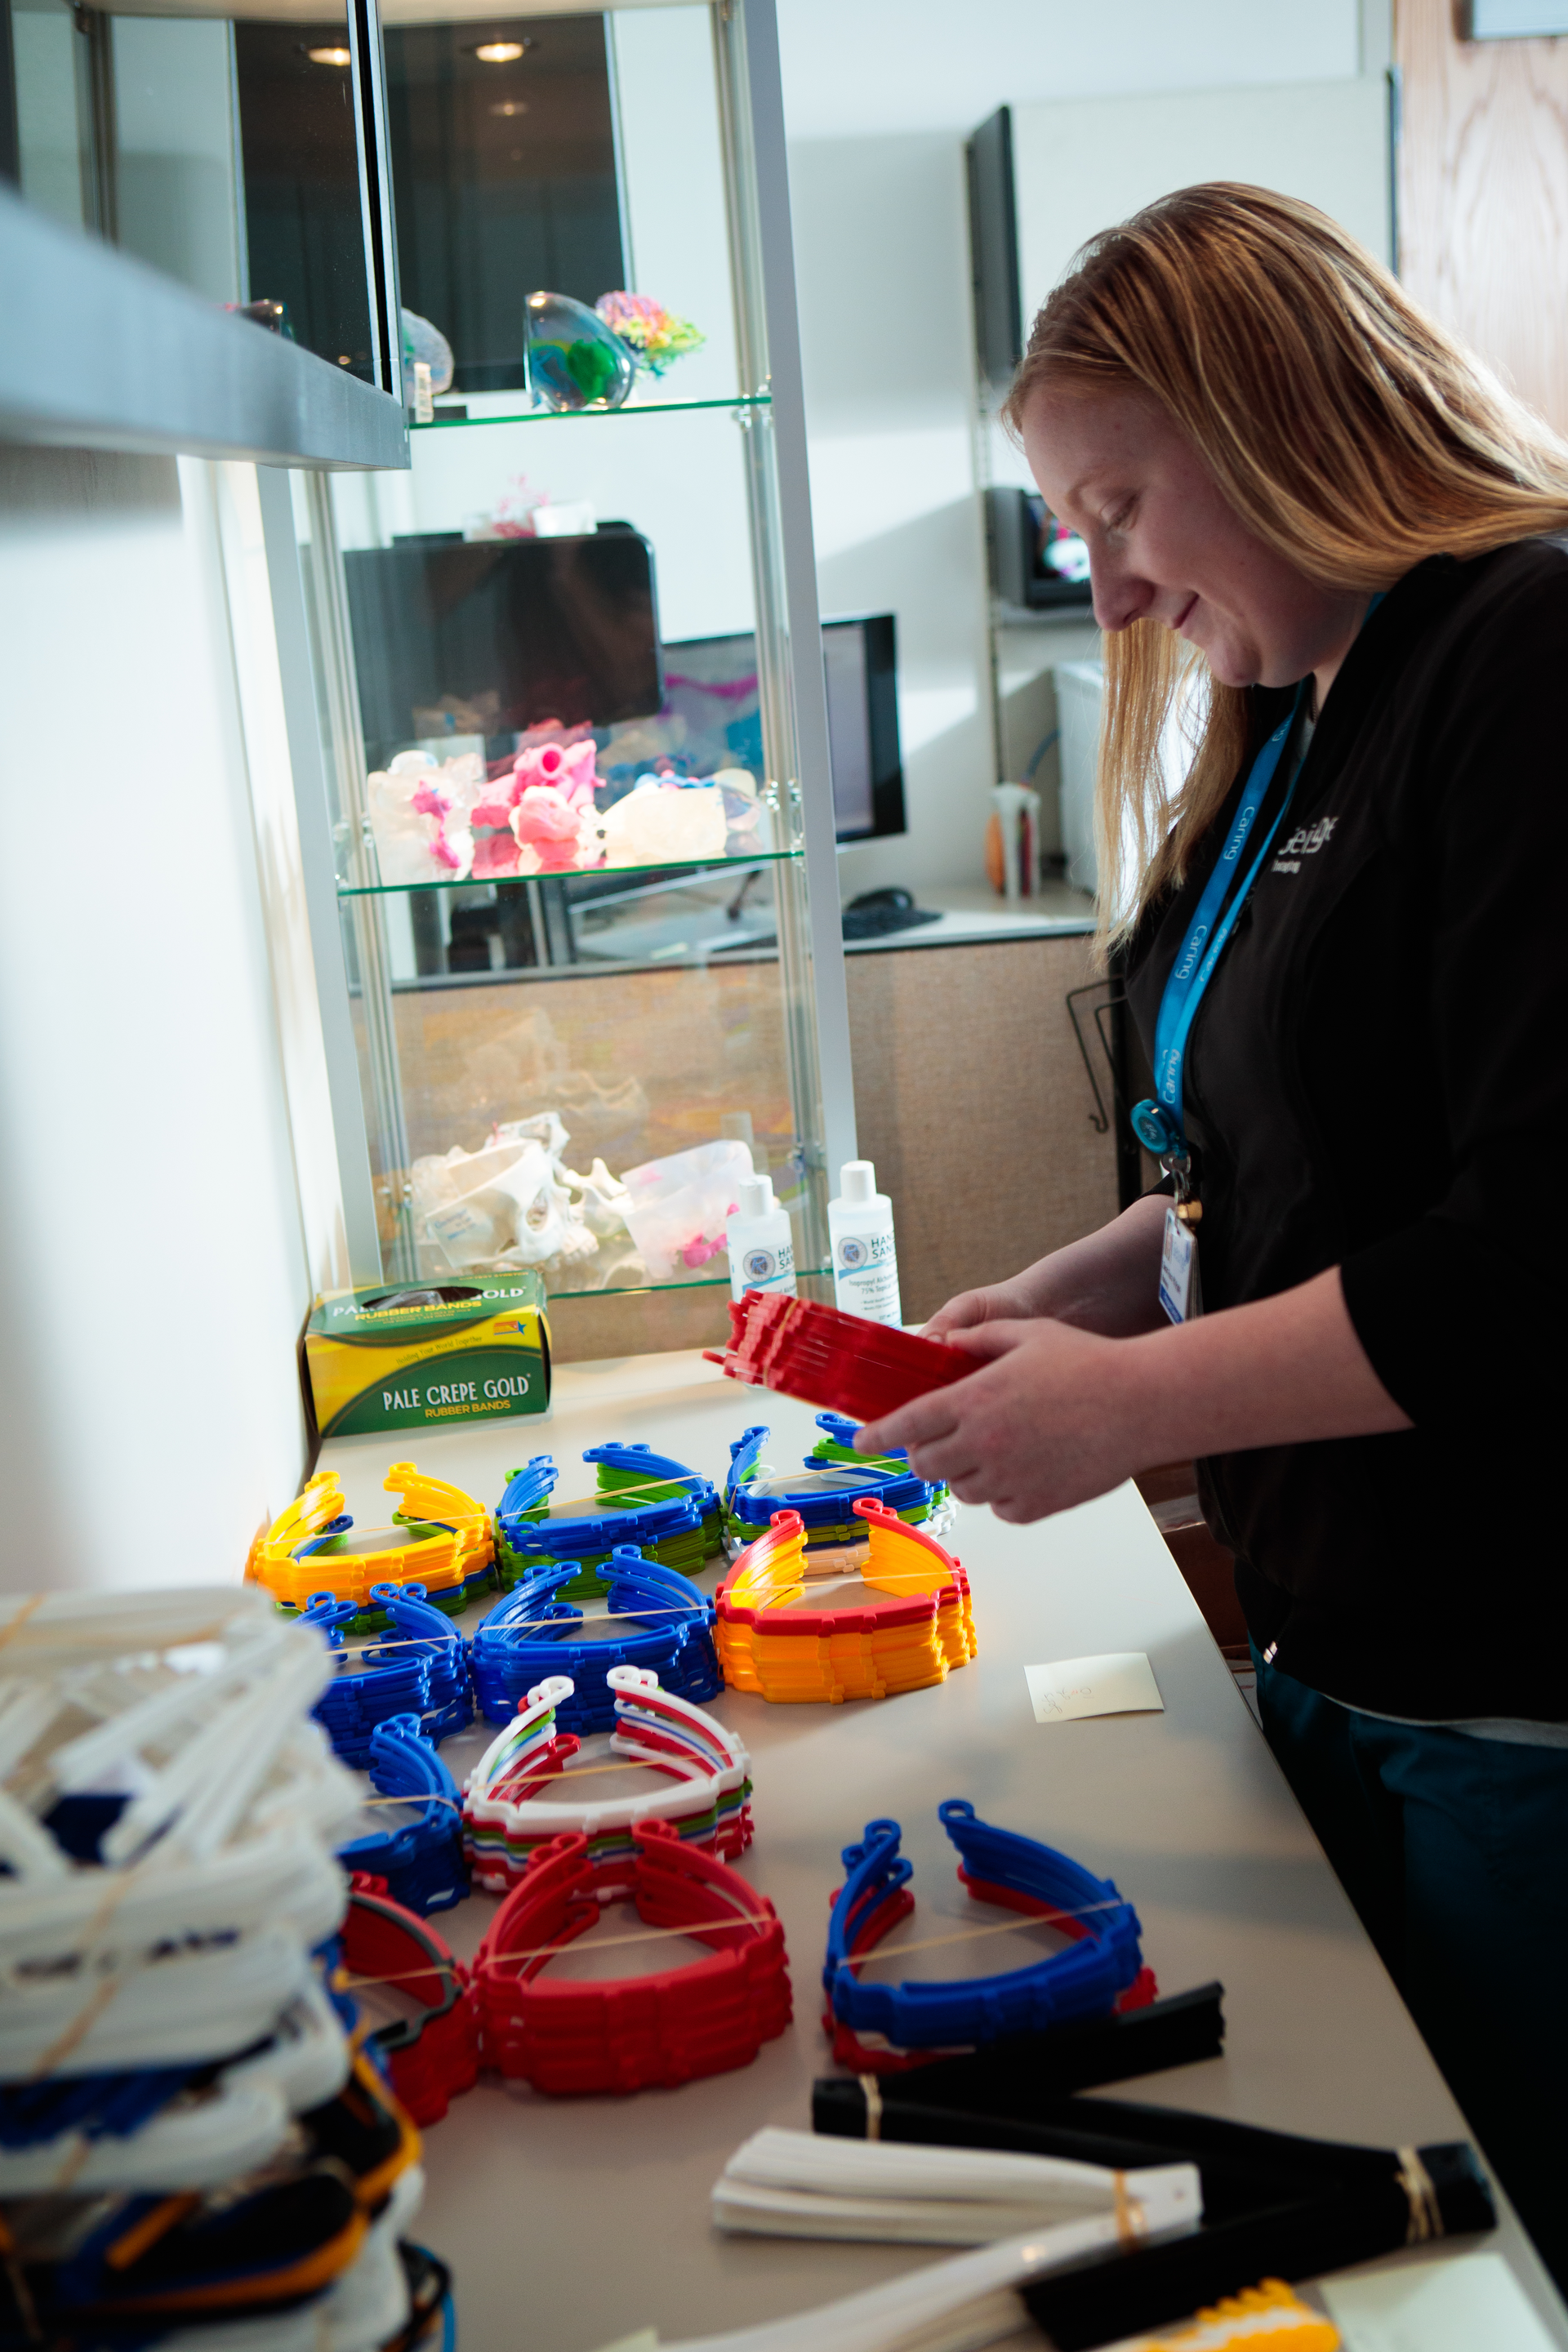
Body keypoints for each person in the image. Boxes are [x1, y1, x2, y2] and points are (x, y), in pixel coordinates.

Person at [855, 184, 1568, 2280]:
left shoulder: (1523, 659)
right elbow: (1252, 1158)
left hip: (1515, 1686)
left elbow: (1528, 1255)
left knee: (1501, 2260)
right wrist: (1081, 1294)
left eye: (1118, 505)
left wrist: (1127, 1408)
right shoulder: (1309, 708)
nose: (1110, 580)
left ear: (1273, 421)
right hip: (1341, 1641)